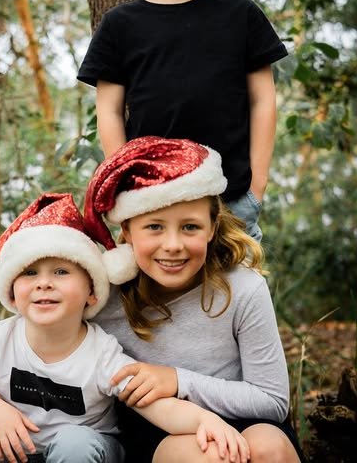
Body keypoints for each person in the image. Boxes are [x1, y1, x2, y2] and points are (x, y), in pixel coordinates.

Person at [0, 192, 250, 463]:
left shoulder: (101, 353)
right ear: (11, 291)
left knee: (74, 443)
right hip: (17, 450)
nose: (44, 283)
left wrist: (206, 421)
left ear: (91, 291)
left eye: (61, 271)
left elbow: (158, 406)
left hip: (89, 451)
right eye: (29, 272)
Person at [77, 0, 289, 242]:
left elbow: (263, 101)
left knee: (237, 297)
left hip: (231, 201)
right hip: (153, 203)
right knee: (156, 299)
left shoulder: (240, 14)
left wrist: (257, 186)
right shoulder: (120, 24)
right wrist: (126, 183)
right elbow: (109, 111)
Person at [82, 137, 304, 463]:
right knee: (211, 455)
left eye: (190, 227)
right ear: (127, 230)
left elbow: (272, 399)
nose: (173, 245)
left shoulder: (243, 288)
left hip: (245, 416)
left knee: (268, 447)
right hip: (160, 430)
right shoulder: (103, 297)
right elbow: (28, 338)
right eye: (154, 227)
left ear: (213, 227)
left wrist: (177, 380)